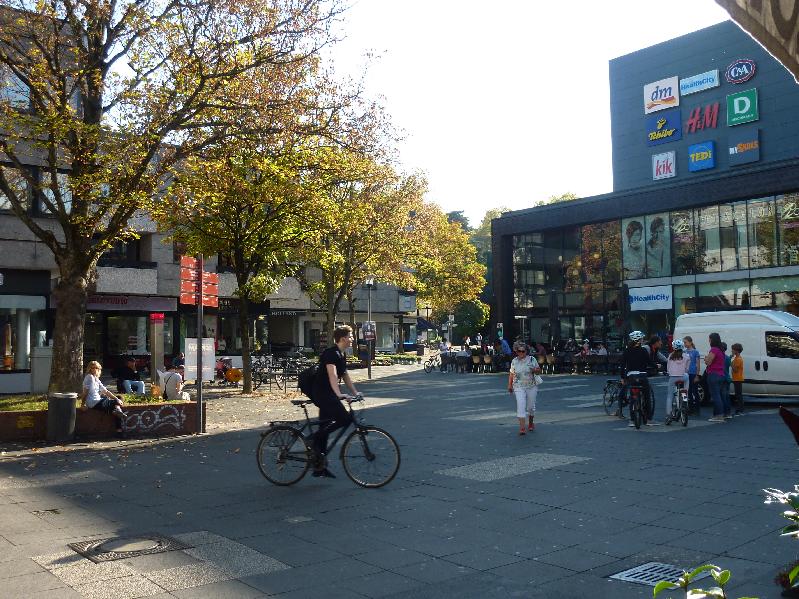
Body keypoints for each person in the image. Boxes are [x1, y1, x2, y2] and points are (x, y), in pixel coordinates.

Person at [309, 325, 361, 479]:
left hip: (329, 393)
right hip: (323, 394)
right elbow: (332, 375)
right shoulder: (331, 353)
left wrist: (355, 392)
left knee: (325, 425)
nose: (352, 339)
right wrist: (339, 394)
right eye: (351, 336)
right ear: (343, 338)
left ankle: (319, 467)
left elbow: (344, 375)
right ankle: (313, 440)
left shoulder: (341, 355)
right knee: (344, 419)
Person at [620, 330, 657, 426]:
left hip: (631, 376)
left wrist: (623, 377)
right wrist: (657, 366)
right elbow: (649, 362)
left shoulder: (627, 351)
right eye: (642, 339)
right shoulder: (643, 350)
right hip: (642, 375)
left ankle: (632, 420)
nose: (643, 340)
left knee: (633, 397)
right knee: (647, 396)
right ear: (639, 340)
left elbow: (622, 365)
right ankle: (648, 419)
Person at [81, 361, 126, 437]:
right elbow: (85, 392)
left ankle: (119, 430)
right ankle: (118, 414)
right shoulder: (89, 377)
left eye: (97, 368)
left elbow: (105, 391)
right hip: (94, 403)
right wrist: (83, 404)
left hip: (98, 400)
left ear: (99, 369)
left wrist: (116, 399)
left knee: (118, 399)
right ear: (89, 369)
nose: (95, 369)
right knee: (117, 401)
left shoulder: (96, 378)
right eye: (93, 368)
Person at [508, 341, 540, 435]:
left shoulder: (532, 359)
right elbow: (511, 373)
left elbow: (539, 370)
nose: (521, 353)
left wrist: (534, 370)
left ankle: (530, 422)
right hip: (518, 385)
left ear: (527, 351)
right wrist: (509, 385)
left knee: (530, 406)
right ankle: (522, 427)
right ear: (516, 351)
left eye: (523, 351)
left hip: (531, 385)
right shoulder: (514, 361)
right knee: (520, 405)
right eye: (519, 351)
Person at [705, 332, 730, 422]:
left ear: (712, 339)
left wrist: (706, 359)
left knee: (715, 396)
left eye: (709, 339)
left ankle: (719, 415)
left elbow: (708, 362)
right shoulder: (721, 350)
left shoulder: (714, 350)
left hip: (714, 374)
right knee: (718, 395)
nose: (708, 340)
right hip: (721, 374)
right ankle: (717, 414)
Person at [665, 339, 690, 421]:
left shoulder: (670, 356)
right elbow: (687, 369)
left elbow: (668, 368)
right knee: (686, 378)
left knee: (670, 396)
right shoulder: (686, 356)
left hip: (673, 378)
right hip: (683, 376)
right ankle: (685, 395)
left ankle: (668, 415)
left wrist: (669, 372)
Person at [683, 336, 702, 415]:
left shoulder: (695, 352)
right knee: (688, 391)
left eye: (685, 342)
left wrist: (697, 375)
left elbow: (698, 364)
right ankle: (690, 408)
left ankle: (697, 409)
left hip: (693, 373)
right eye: (684, 342)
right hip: (686, 373)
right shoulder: (684, 352)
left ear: (690, 342)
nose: (684, 344)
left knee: (695, 391)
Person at [731, 343, 745, 415]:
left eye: (733, 350)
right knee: (738, 394)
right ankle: (739, 409)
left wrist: (731, 363)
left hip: (738, 379)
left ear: (736, 350)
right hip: (736, 378)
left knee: (739, 395)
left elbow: (735, 370)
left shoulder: (738, 359)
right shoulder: (736, 358)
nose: (732, 351)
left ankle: (740, 409)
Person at [721, 342, 733, 418]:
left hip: (722, 378)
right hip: (727, 377)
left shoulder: (720, 357)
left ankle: (724, 413)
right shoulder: (728, 358)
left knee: (722, 397)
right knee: (727, 396)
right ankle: (728, 413)